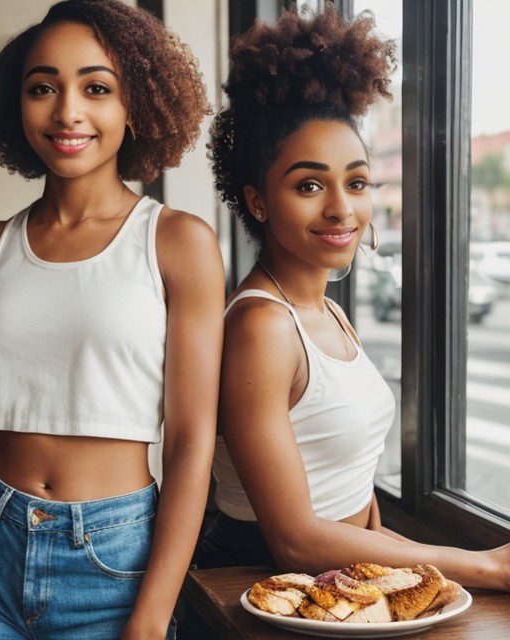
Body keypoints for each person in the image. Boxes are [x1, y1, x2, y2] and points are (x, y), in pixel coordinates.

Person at [0, 2, 224, 639]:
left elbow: (191, 445)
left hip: (113, 566)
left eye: (96, 88)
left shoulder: (178, 244)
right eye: (43, 87)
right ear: (17, 107)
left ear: (137, 108)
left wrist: (152, 619)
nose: (67, 111)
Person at [197, 4, 509, 591]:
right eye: (310, 185)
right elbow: (294, 537)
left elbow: (351, 499)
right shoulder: (261, 326)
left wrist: (415, 568)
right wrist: (488, 565)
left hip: (333, 577)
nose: (342, 208)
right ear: (258, 202)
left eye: (357, 181)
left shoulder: (332, 313)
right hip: (257, 584)